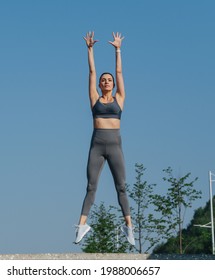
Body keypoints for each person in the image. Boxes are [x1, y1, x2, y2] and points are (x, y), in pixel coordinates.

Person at [74, 31, 135, 246]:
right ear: (100, 85)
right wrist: (90, 50)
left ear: (113, 84)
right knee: (91, 186)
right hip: (97, 145)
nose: (107, 81)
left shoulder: (120, 98)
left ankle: (129, 227)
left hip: (115, 145)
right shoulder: (94, 99)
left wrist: (117, 49)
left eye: (109, 80)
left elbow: (119, 71)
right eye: (104, 80)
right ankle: (81, 226)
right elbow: (92, 71)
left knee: (121, 187)